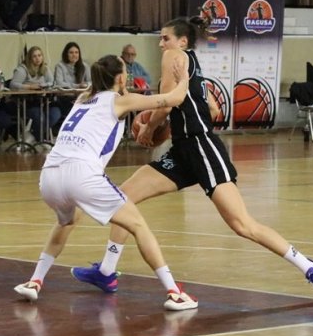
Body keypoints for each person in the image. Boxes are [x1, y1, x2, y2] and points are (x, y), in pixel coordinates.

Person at [69, 16, 313, 302]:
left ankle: (312, 268)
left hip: (201, 147)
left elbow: (168, 104)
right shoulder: (192, 66)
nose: (161, 44)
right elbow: (213, 109)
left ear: (182, 41)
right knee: (123, 199)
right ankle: (107, 270)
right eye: (160, 39)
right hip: (183, 149)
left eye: (165, 38)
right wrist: (169, 124)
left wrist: (150, 127)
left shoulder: (174, 57)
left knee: (242, 224)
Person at [14, 54, 199, 311]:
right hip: (81, 174)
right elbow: (175, 99)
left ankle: (35, 281)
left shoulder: (83, 98)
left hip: (50, 176)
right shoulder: (121, 101)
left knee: (67, 221)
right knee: (138, 225)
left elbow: (104, 91)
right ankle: (174, 293)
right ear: (121, 78)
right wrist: (184, 78)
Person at [9, 45, 56, 142]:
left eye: (39, 55)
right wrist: (30, 87)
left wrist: (42, 85)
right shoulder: (22, 69)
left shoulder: (45, 68)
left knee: (55, 114)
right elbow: (13, 84)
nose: (37, 58)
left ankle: (34, 135)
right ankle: (41, 139)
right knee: (40, 117)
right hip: (26, 102)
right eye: (34, 56)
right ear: (29, 58)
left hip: (44, 102)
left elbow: (52, 82)